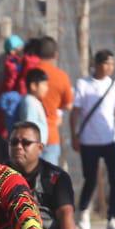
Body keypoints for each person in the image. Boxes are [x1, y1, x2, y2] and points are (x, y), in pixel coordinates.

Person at [70, 50, 115, 229]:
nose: (109, 67)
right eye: (106, 63)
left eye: (112, 64)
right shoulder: (83, 84)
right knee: (90, 178)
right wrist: (74, 135)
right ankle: (84, 212)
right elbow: (75, 112)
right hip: (89, 140)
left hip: (111, 140)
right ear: (96, 64)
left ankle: (112, 218)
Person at [35, 37, 74, 165]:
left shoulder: (27, 72)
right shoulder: (61, 76)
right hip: (50, 135)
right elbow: (68, 105)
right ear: (56, 55)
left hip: (27, 137)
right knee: (47, 181)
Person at [14, 69, 50, 145]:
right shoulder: (30, 102)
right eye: (44, 85)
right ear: (33, 86)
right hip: (33, 146)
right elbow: (29, 125)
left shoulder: (33, 101)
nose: (47, 88)